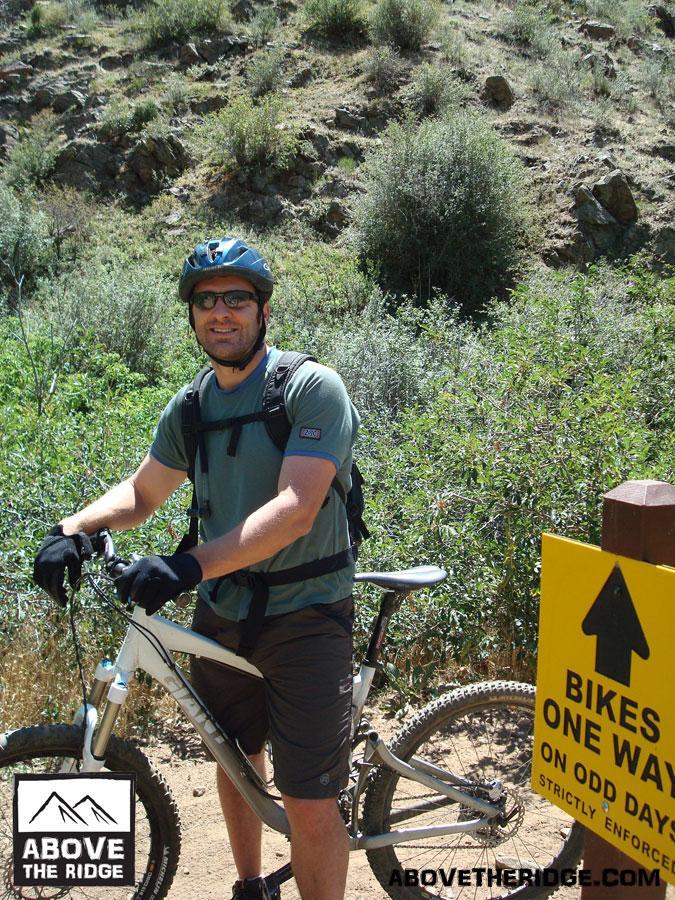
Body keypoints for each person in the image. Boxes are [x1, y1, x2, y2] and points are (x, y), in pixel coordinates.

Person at [33, 237, 360, 900]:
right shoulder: (192, 405)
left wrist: (185, 565)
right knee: (236, 761)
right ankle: (250, 886)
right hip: (225, 612)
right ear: (191, 317)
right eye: (205, 301)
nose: (220, 313)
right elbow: (143, 492)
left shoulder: (309, 389)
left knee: (306, 799)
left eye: (236, 298)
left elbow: (297, 508)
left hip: (307, 614)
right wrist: (72, 530)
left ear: (263, 310)